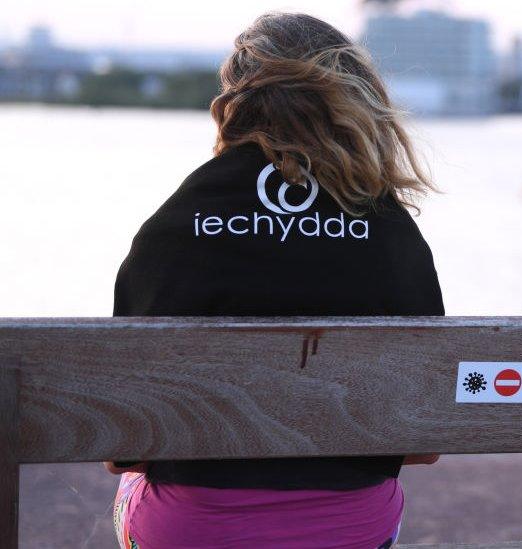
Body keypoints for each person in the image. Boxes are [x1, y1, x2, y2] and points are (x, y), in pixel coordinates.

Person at [108, 12, 444, 548]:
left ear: (232, 103)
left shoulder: (177, 220)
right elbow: (421, 443)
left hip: (195, 530)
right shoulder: (387, 225)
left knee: (133, 487)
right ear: (356, 98)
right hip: (350, 528)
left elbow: (124, 446)